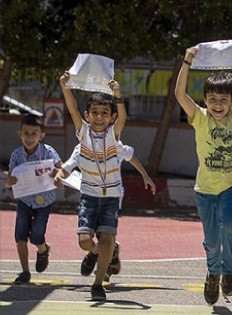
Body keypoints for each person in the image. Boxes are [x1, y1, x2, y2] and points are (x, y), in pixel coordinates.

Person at [174, 42, 232, 305]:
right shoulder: (199, 117)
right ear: (205, 100)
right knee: (211, 240)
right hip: (205, 190)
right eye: (212, 99)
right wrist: (187, 61)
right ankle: (212, 273)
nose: (217, 104)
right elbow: (179, 93)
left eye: (224, 100)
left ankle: (228, 274)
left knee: (230, 227)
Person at [57, 73, 126, 301]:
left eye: (104, 113)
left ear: (111, 117)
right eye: (94, 113)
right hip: (89, 195)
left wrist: (118, 96)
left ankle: (98, 284)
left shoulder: (113, 135)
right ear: (88, 116)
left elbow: (123, 118)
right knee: (85, 241)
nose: (99, 117)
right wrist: (65, 87)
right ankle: (100, 253)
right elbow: (73, 110)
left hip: (111, 197)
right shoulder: (83, 132)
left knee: (106, 237)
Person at [57, 141, 156, 280]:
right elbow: (66, 168)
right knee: (87, 236)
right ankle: (97, 251)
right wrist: (58, 176)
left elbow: (131, 155)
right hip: (90, 197)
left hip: (112, 197)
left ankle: (104, 269)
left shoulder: (114, 144)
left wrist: (145, 175)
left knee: (106, 233)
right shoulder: (81, 148)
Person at [5, 114, 62, 284]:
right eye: (26, 133)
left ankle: (43, 250)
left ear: (41, 135)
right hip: (24, 200)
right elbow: (9, 179)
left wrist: (57, 176)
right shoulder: (16, 155)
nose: (29, 137)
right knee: (20, 236)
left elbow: (61, 170)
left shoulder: (48, 152)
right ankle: (24, 271)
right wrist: (10, 182)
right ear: (19, 134)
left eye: (34, 133)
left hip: (44, 201)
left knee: (37, 235)